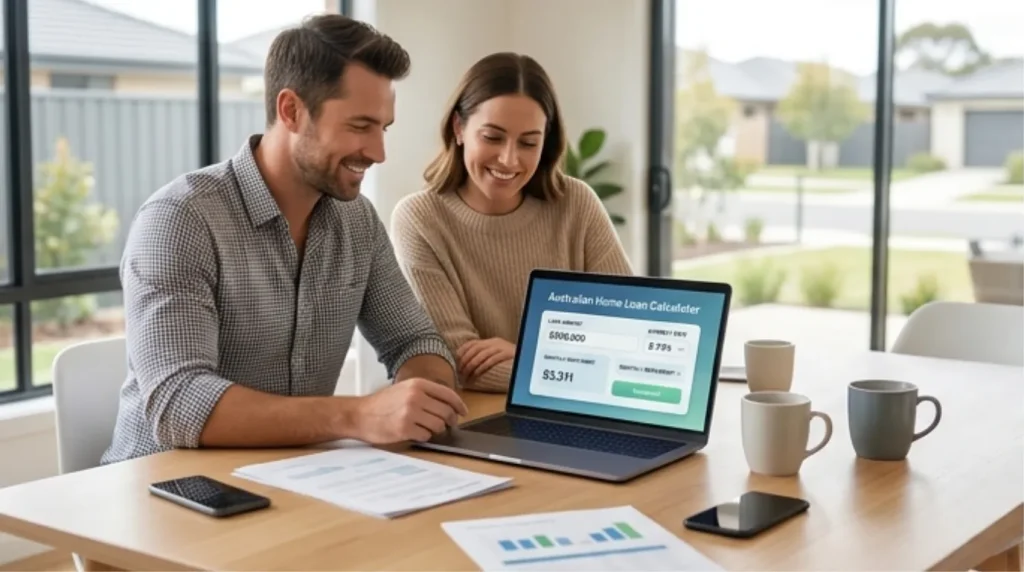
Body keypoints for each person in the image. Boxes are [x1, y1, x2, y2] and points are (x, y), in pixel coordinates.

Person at [101, 14, 467, 465]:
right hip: (161, 492)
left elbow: (414, 341)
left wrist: (421, 402)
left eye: (383, 128)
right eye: (359, 126)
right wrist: (355, 416)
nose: (378, 152)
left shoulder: (357, 222)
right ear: (291, 110)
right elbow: (179, 402)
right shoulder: (181, 220)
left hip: (291, 482)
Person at [391, 52, 633, 394]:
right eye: (492, 137)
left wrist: (529, 354)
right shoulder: (420, 219)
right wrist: (572, 364)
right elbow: (461, 365)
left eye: (528, 142)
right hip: (483, 416)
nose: (509, 159)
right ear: (459, 128)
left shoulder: (576, 203)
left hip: (579, 412)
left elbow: (629, 337)